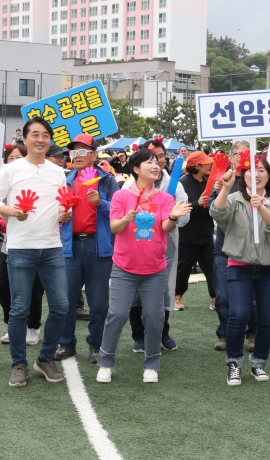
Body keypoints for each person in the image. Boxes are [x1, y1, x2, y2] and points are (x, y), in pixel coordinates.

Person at [95, 148, 192, 384]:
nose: (156, 165)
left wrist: (173, 217)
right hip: (124, 267)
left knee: (154, 316)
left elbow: (165, 229)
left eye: (157, 161)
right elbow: (115, 228)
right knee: (117, 314)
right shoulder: (121, 195)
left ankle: (151, 364)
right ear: (136, 169)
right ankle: (105, 362)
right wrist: (126, 219)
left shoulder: (164, 198)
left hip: (155, 269)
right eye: (149, 162)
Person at [0, 117, 70, 388]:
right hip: (20, 248)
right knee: (19, 308)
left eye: (46, 135)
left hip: (52, 247)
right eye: (35, 134)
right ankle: (18, 364)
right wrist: (11, 211)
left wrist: (64, 214)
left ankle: (45, 359)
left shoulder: (57, 171)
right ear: (24, 138)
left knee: (61, 306)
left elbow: (61, 205)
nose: (41, 139)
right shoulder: (11, 169)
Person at [210, 152, 270, 386]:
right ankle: (234, 362)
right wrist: (225, 188)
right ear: (243, 175)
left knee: (267, 318)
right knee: (239, 315)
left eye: (262, 170)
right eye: (251, 171)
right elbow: (217, 212)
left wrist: (262, 207)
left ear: (268, 175)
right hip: (239, 267)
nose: (256, 175)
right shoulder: (234, 199)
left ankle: (259, 363)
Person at [56, 134, 119, 364]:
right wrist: (61, 216)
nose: (77, 155)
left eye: (82, 151)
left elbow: (119, 211)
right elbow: (57, 212)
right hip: (70, 246)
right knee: (66, 300)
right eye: (73, 151)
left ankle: (96, 344)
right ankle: (66, 343)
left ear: (94, 154)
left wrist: (100, 203)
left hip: (98, 246)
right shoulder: (67, 179)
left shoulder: (106, 180)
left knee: (99, 301)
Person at [127, 139, 190, 352]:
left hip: (166, 242)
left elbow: (184, 216)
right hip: (139, 243)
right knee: (136, 291)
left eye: (161, 157)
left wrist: (171, 216)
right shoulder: (129, 185)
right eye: (152, 158)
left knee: (164, 288)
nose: (158, 162)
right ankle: (139, 336)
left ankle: (163, 332)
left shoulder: (175, 184)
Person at [0, 144, 43, 347]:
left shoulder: (34, 180)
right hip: (10, 245)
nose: (14, 161)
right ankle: (13, 325)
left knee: (33, 289)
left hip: (35, 244)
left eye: (19, 157)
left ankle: (33, 327)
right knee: (4, 288)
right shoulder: (5, 181)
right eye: (10, 158)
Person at [211, 140, 253, 350]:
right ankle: (225, 334)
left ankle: (253, 334)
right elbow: (211, 206)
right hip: (225, 246)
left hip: (251, 247)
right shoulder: (223, 176)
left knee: (252, 296)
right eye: (239, 154)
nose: (243, 158)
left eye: (247, 154)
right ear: (232, 156)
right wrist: (219, 190)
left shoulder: (258, 177)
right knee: (223, 296)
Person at [176, 150, 216, 311]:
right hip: (187, 233)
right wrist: (197, 203)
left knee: (212, 267)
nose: (209, 165)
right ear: (197, 166)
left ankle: (215, 297)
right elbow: (179, 207)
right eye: (206, 163)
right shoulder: (183, 183)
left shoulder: (209, 181)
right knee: (183, 267)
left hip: (206, 232)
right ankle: (177, 296)